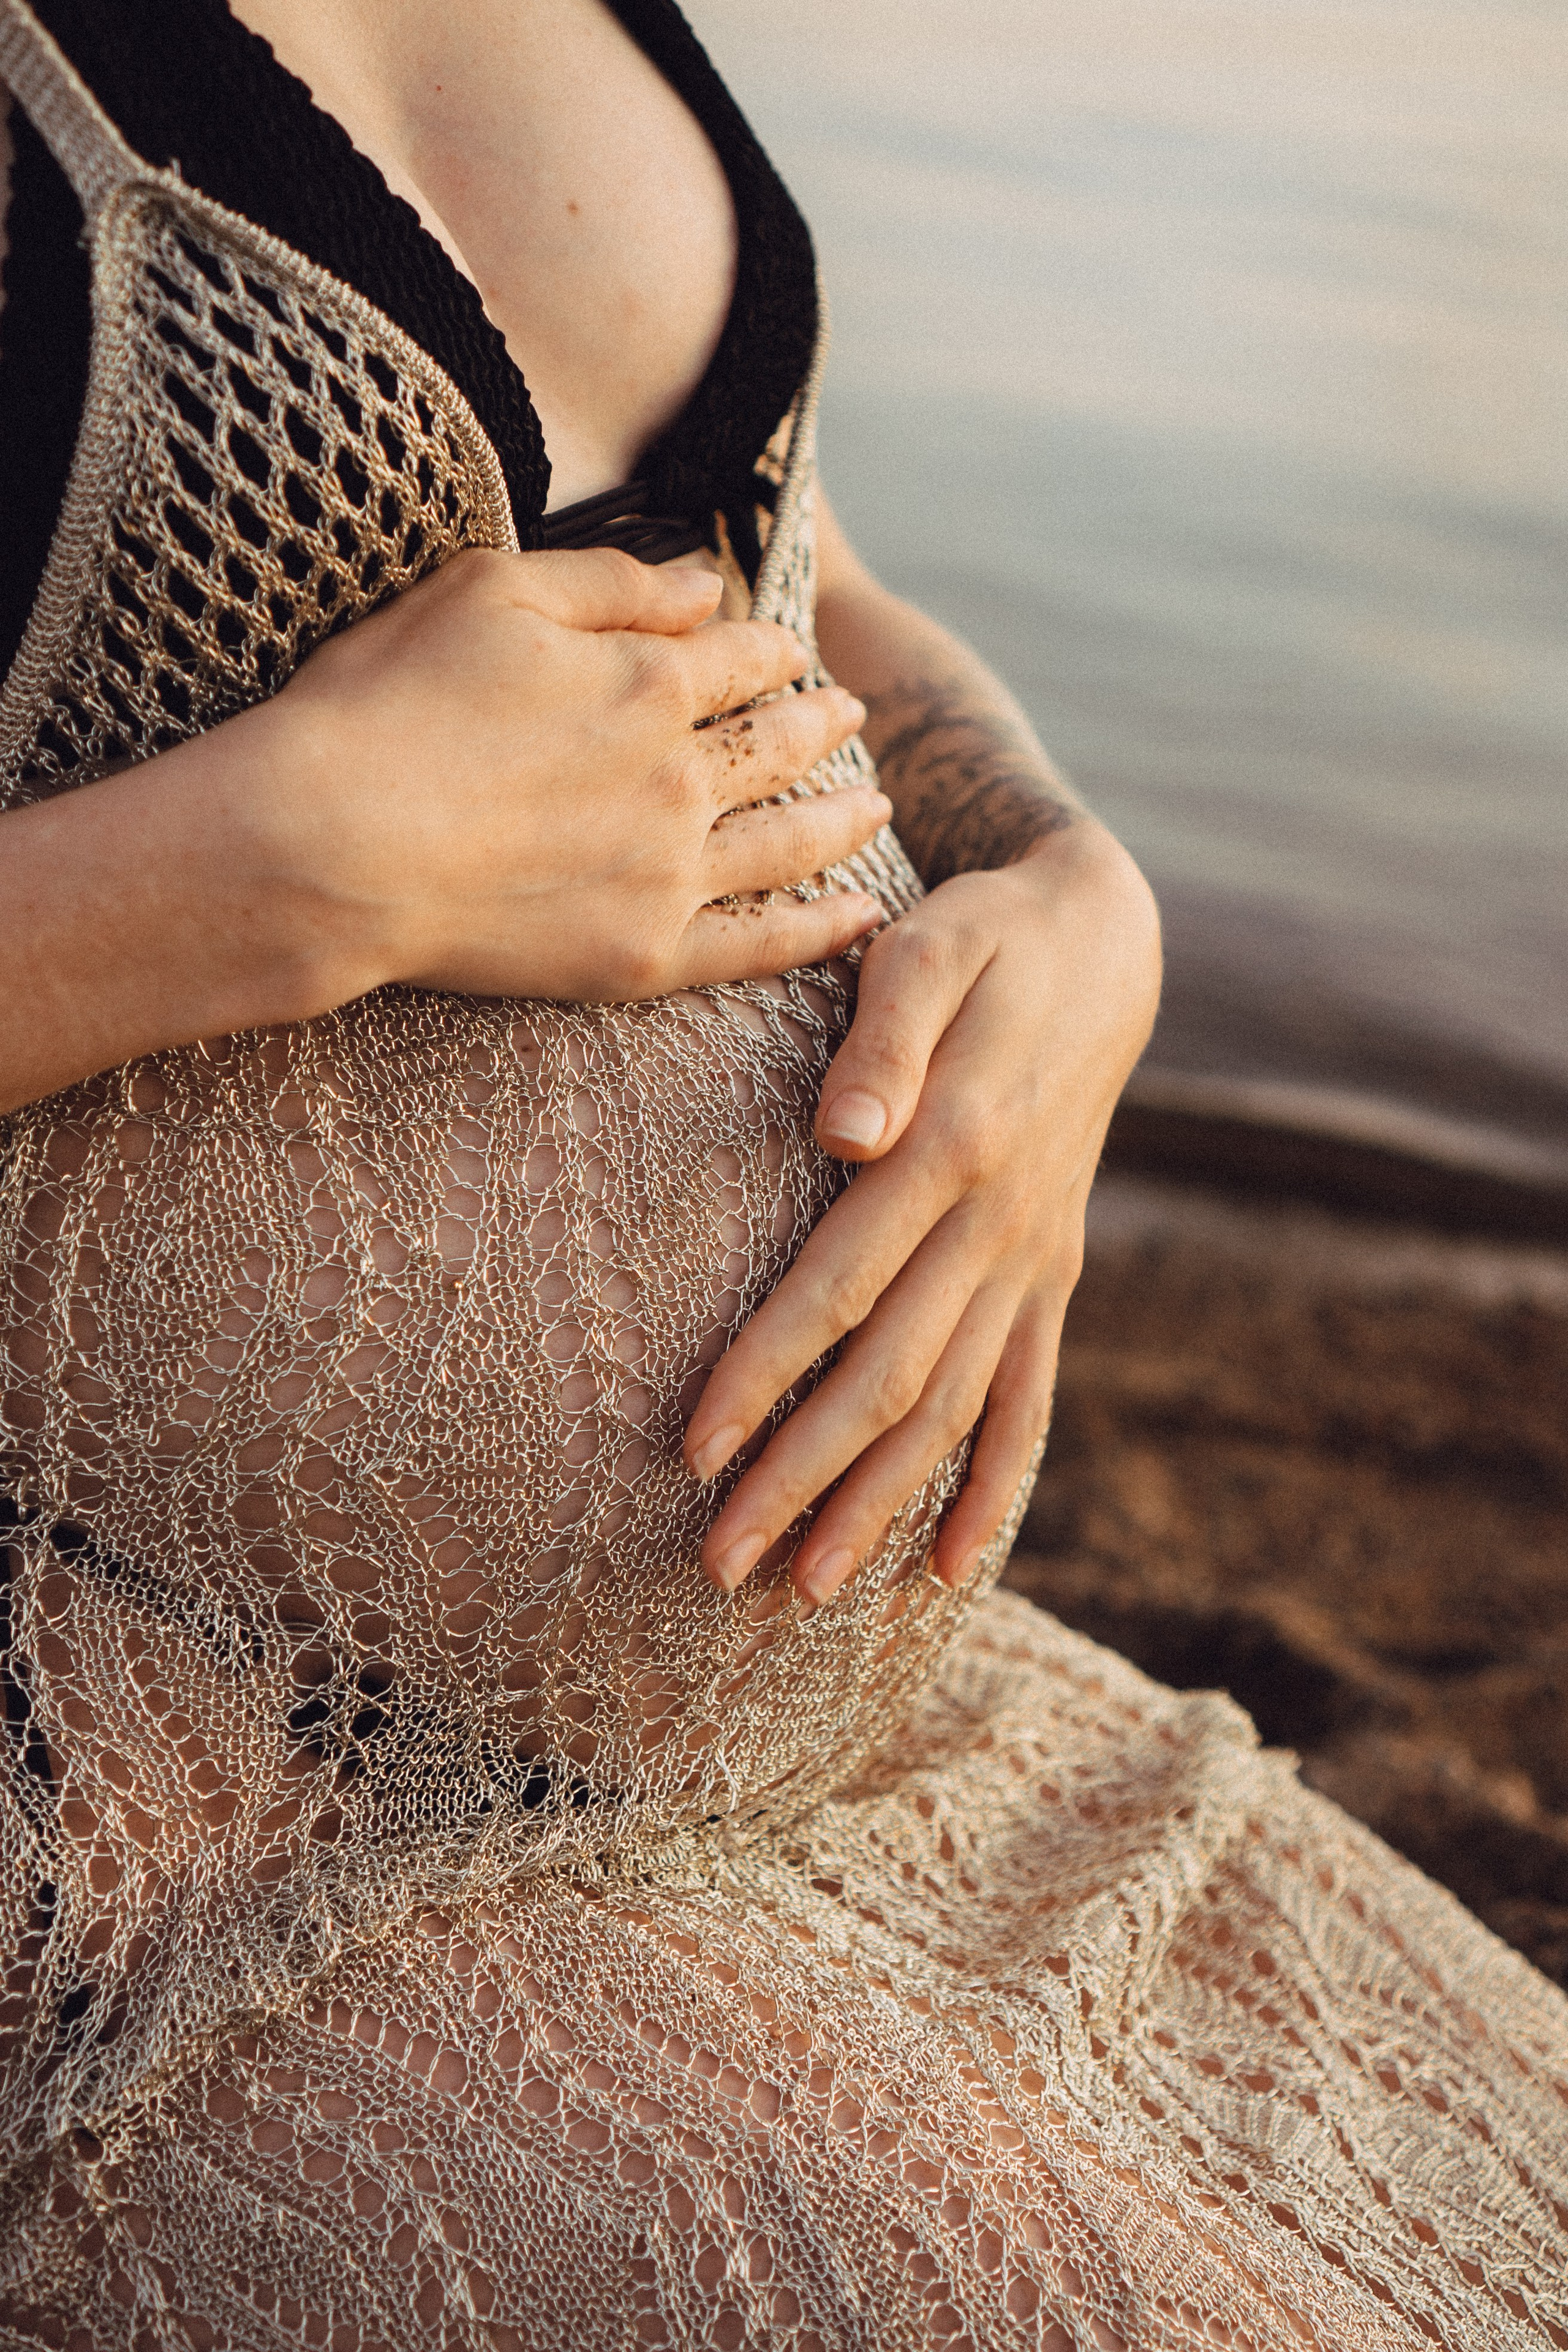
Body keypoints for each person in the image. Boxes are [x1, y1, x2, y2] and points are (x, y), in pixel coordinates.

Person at [0, 3, 1563, 2346]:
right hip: (159, 1792)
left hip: (867, 1741)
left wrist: (1064, 880)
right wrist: (285, 869)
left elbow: (788, 564)